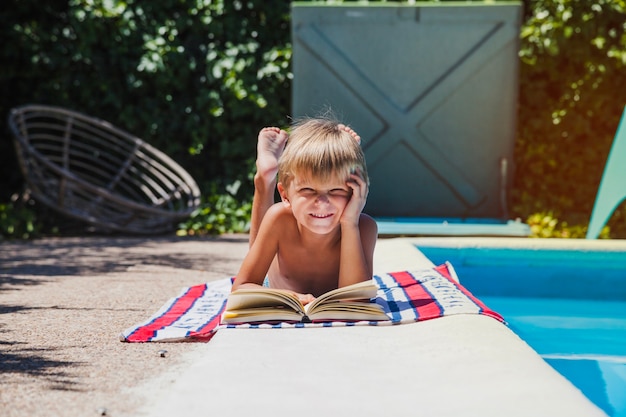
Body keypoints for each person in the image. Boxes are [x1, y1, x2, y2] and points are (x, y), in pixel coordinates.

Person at [231, 117, 378, 304]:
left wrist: (349, 223)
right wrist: (293, 298)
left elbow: (356, 302)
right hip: (274, 284)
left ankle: (341, 153)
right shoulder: (280, 218)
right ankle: (264, 179)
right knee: (263, 243)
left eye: (336, 190)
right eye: (308, 190)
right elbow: (241, 288)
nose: (322, 203)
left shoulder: (364, 227)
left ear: (354, 193)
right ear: (285, 195)